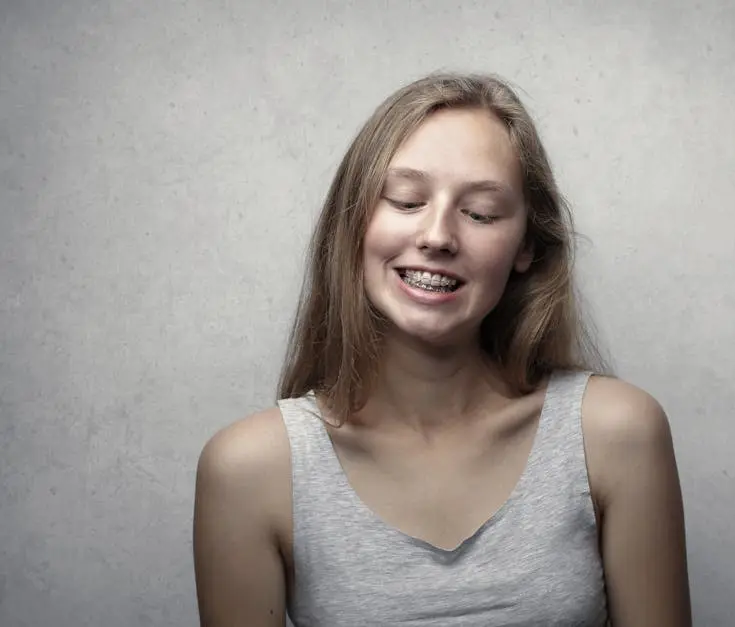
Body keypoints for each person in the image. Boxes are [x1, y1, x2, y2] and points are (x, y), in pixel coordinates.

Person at [193, 71, 692, 626]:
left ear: (526, 245)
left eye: (479, 213)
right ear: (353, 220)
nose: (437, 237)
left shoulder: (617, 434)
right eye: (405, 200)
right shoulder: (250, 469)